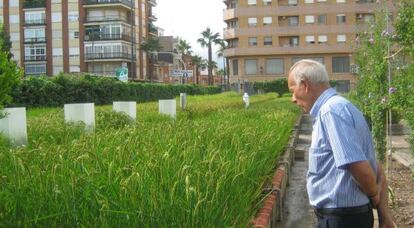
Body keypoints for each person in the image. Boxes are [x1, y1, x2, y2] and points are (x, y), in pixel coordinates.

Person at [287, 59, 395, 228]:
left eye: (292, 91)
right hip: (345, 216)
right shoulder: (344, 107)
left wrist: (374, 196)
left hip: (342, 218)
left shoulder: (331, 112)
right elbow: (375, 165)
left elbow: (359, 167)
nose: (293, 99)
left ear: (305, 85)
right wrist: (384, 215)